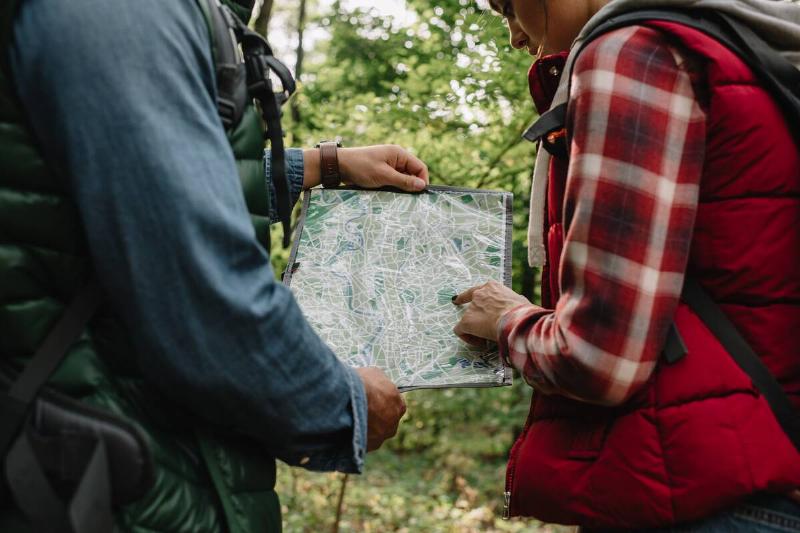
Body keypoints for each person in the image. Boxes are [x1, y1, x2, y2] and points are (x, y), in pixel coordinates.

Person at [0, 0, 424, 531]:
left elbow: (139, 184)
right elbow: (201, 294)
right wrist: (344, 402)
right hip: (108, 474)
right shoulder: (125, 14)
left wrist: (324, 165)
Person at [454, 0, 800, 530]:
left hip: (696, 493)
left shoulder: (635, 51)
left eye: (507, 6)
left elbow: (597, 358)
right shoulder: (743, 44)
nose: (514, 36)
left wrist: (505, 320)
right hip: (765, 468)